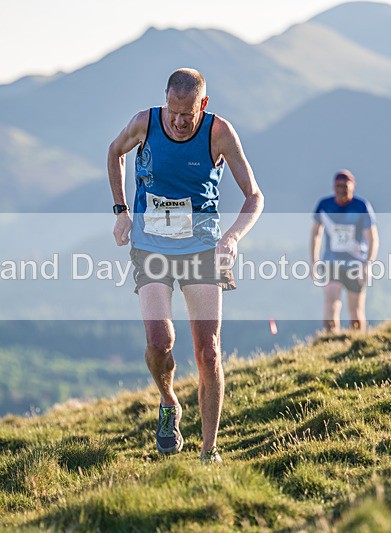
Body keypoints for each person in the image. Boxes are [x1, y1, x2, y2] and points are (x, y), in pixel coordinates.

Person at [108, 68, 263, 464]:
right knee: (159, 343)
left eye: (187, 114)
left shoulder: (219, 133)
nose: (178, 122)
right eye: (173, 112)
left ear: (203, 105)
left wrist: (231, 238)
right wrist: (122, 211)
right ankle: (169, 403)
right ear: (165, 101)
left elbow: (254, 197)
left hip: (201, 248)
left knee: (208, 352)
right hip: (151, 246)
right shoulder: (145, 122)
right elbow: (114, 153)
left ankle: (209, 451)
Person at [310, 169, 379, 333]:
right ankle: (329, 342)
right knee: (331, 303)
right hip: (331, 262)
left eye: (345, 187)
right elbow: (315, 234)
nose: (341, 190)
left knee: (355, 310)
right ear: (333, 187)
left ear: (352, 187)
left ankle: (356, 344)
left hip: (356, 263)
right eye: (338, 186)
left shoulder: (361, 206)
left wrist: (367, 264)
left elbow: (372, 239)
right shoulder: (324, 205)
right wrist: (314, 261)